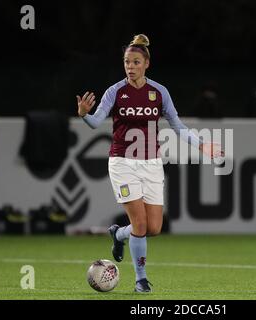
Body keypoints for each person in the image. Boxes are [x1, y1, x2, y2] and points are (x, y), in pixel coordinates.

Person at [76, 34, 223, 293]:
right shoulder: (115, 91)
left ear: (146, 64)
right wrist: (85, 115)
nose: (130, 67)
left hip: (152, 163)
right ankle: (140, 279)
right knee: (141, 225)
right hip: (123, 163)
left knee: (154, 228)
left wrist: (203, 145)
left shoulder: (159, 93)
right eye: (126, 62)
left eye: (135, 62)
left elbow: (178, 126)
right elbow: (96, 122)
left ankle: (119, 234)